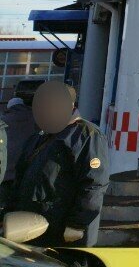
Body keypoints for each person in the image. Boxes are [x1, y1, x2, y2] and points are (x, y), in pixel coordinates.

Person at [8, 80, 109, 246]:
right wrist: (10, 211)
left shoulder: (86, 134)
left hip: (61, 231)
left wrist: (77, 224)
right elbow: (20, 177)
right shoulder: (40, 135)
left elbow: (94, 183)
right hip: (29, 227)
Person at [3, 98, 37, 184]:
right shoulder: (34, 118)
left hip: (7, 170)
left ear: (9, 108)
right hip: (27, 166)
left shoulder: (4, 120)